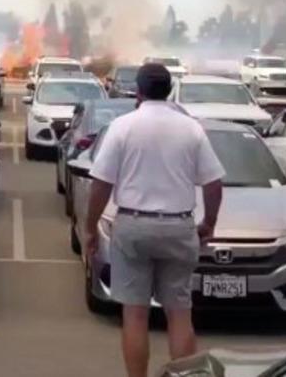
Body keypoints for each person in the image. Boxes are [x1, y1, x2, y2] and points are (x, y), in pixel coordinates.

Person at [83, 63, 224, 377]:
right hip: (179, 226)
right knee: (179, 314)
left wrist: (90, 228)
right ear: (170, 90)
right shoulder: (191, 128)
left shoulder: (123, 126)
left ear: (139, 91)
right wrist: (209, 223)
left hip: (133, 226)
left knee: (135, 315)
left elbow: (101, 184)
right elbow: (214, 183)